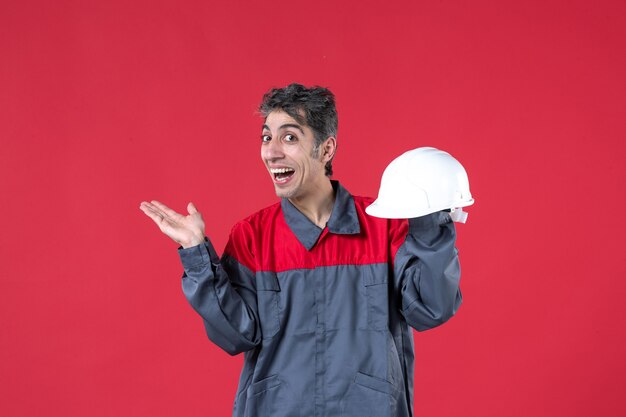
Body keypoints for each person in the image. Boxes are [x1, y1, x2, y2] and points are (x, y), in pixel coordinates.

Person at [139, 83, 462, 417]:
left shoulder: (385, 227)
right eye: (267, 137)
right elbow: (235, 336)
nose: (271, 152)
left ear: (325, 149)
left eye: (289, 137)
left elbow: (431, 309)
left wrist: (428, 221)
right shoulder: (252, 236)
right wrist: (196, 253)